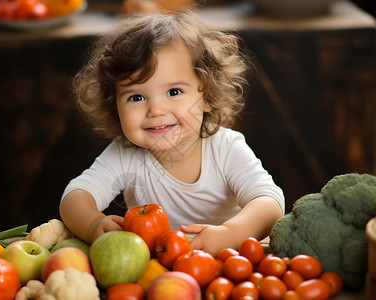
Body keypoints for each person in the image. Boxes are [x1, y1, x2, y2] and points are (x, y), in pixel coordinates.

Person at [60, 10, 284, 256]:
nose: (156, 110)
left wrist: (230, 233)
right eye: (136, 97)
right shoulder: (125, 154)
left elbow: (270, 204)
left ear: (207, 95)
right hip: (154, 275)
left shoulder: (225, 148)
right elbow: (75, 197)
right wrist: (92, 223)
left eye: (174, 92)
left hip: (224, 269)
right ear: (115, 106)